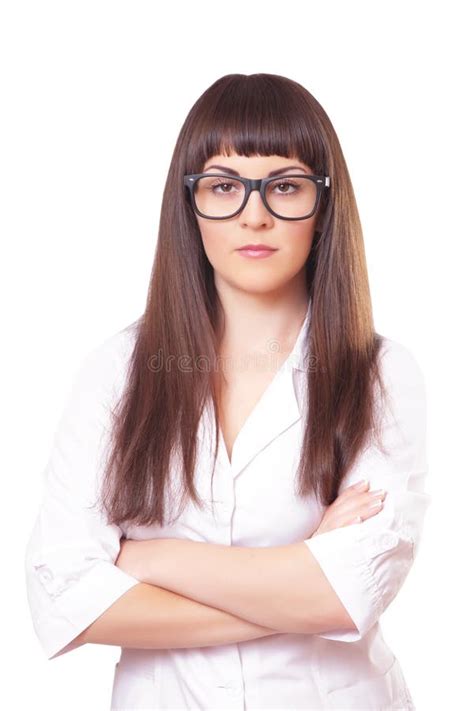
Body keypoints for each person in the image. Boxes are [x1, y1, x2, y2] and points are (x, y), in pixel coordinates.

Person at [24, 73, 430, 710]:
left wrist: (148, 560)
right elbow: (64, 602)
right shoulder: (117, 370)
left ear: (324, 207)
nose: (255, 214)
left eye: (287, 186)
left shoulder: (378, 373)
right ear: (189, 205)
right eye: (223, 186)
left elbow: (346, 592)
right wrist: (299, 575)